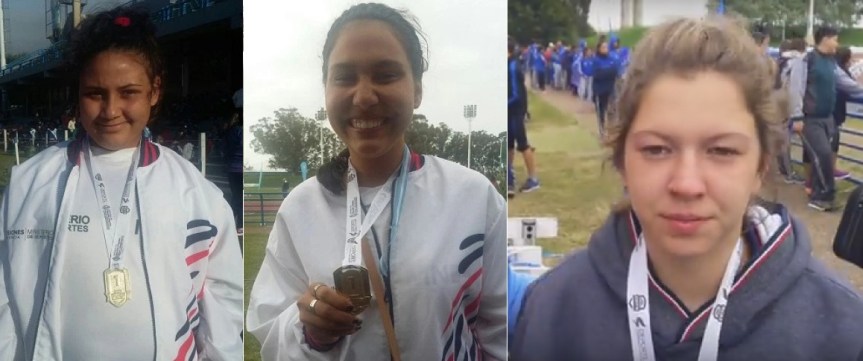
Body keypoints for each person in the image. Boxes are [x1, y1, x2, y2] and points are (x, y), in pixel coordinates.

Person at [512, 16, 863, 360]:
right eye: (656, 149)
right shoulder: (552, 310)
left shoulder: (843, 330)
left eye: (722, 151)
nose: (686, 184)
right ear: (622, 161)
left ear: (761, 165)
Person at [245, 4, 506, 360]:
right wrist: (309, 332)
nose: (364, 96)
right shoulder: (301, 208)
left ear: (417, 89)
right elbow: (269, 328)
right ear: (326, 90)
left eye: (385, 75)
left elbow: (502, 331)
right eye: (344, 77)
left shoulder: (473, 198)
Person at [0, 6, 242, 360]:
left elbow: (222, 297)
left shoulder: (197, 194)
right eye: (95, 93)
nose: (111, 110)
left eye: (128, 92)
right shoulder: (29, 184)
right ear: (78, 93)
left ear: (154, 91)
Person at [789, 25, 863, 211]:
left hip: (828, 118)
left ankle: (819, 193)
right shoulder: (806, 60)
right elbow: (795, 89)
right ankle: (823, 196)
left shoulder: (831, 62)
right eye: (835, 39)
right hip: (810, 118)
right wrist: (796, 116)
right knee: (821, 154)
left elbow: (843, 82)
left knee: (823, 155)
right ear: (826, 38)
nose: (837, 43)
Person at [509, 36, 540, 195]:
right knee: (508, 144)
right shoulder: (508, 64)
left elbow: (516, 94)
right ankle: (509, 177)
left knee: (523, 144)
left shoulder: (513, 66)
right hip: (510, 112)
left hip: (515, 111)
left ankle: (533, 179)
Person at [592, 35, 620, 136]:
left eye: (607, 47)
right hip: (600, 90)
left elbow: (615, 71)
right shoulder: (596, 60)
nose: (606, 49)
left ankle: (612, 130)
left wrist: (607, 71)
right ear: (599, 49)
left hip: (611, 88)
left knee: (613, 110)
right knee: (601, 111)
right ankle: (602, 130)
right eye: (603, 47)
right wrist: (608, 72)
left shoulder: (611, 58)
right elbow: (598, 74)